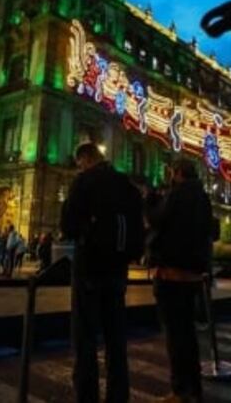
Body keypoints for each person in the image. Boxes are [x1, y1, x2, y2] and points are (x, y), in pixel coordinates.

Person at [60, 142, 144, 403]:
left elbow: (68, 225)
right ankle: (118, 397)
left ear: (84, 159)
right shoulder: (126, 184)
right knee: (116, 338)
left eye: (79, 163)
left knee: (85, 339)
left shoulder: (84, 182)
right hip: (117, 271)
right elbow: (139, 228)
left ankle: (87, 396)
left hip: (89, 269)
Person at [147, 158, 213, 403]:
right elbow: (210, 232)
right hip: (192, 275)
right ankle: (194, 389)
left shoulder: (176, 195)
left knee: (175, 336)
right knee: (188, 335)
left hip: (171, 273)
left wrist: (151, 201)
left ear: (177, 173)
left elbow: (157, 220)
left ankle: (179, 391)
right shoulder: (203, 198)